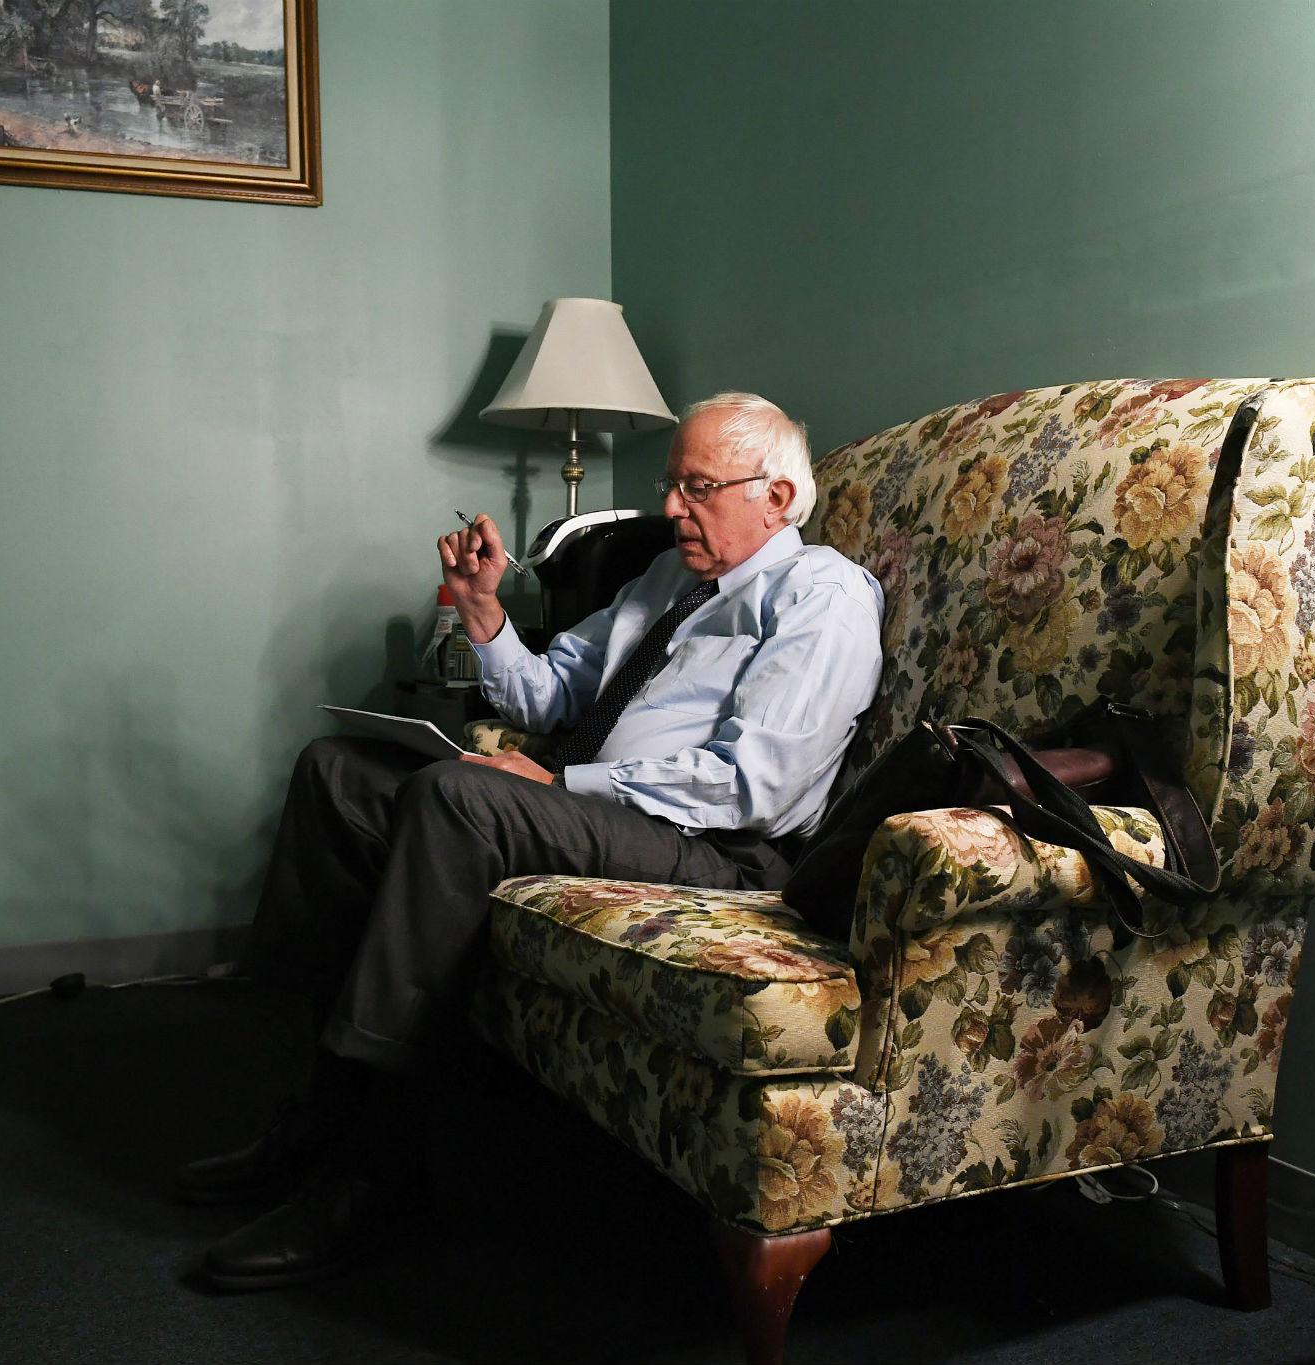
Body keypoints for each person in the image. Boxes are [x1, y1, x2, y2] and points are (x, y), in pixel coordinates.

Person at [185, 392, 884, 1291]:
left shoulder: (819, 593)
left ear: (779, 497)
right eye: (673, 484)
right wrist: (483, 611)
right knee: (338, 770)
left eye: (698, 487)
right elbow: (552, 694)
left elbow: (757, 783)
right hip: (612, 814)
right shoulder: (668, 582)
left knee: (458, 800)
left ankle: (374, 1171)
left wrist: (560, 785)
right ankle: (319, 1110)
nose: (672, 508)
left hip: (720, 851)